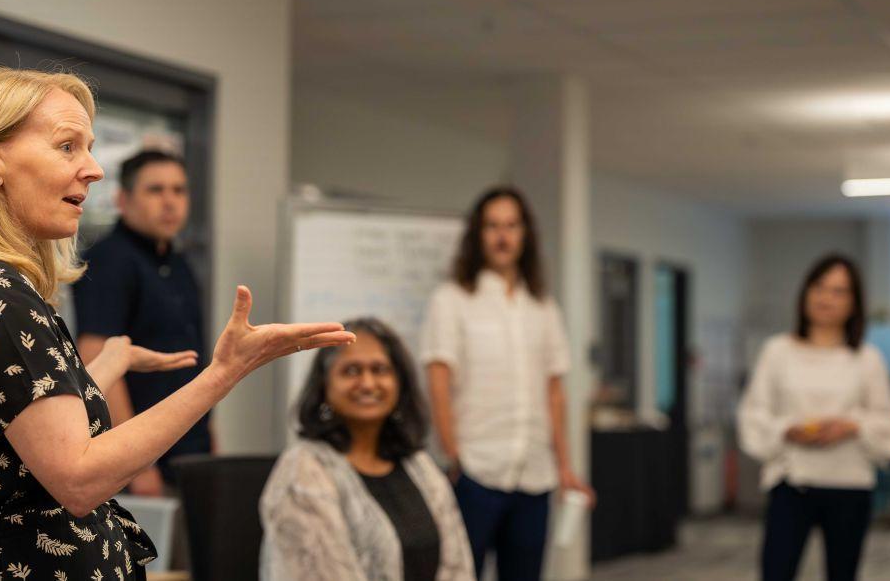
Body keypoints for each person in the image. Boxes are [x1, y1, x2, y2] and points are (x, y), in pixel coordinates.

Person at [0, 67, 354, 579]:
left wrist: (102, 368)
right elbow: (78, 477)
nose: (95, 169)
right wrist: (224, 373)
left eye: (89, 147)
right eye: (67, 147)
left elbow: (17, 429)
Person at [421, 186, 594, 581]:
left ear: (525, 234)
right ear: (478, 235)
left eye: (511, 226)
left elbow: (555, 392)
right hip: (476, 471)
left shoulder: (543, 307)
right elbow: (438, 382)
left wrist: (565, 466)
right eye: (492, 226)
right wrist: (454, 457)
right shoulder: (451, 300)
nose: (502, 235)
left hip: (535, 473)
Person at [260, 317, 475, 581]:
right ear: (324, 386)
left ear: (399, 383)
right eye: (351, 371)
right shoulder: (303, 470)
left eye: (380, 369)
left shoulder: (419, 465)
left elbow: (458, 567)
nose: (368, 383)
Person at [737, 253, 890, 581]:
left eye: (839, 291)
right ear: (805, 293)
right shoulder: (777, 351)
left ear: (854, 302)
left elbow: (888, 421)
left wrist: (850, 426)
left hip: (849, 485)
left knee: (843, 573)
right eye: (819, 287)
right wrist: (788, 429)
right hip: (793, 482)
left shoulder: (867, 359)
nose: (826, 298)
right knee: (776, 571)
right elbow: (753, 412)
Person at [73, 149, 211, 496]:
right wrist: (137, 464)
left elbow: (194, 363)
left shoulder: (180, 264)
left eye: (179, 191)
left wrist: (210, 441)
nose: (170, 202)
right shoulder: (110, 260)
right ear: (123, 199)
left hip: (190, 452)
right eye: (155, 190)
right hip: (141, 460)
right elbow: (96, 355)